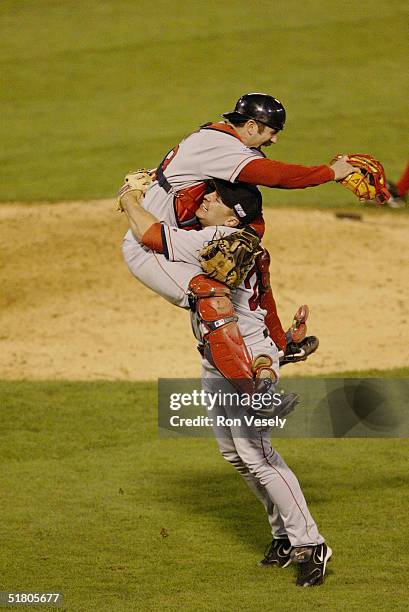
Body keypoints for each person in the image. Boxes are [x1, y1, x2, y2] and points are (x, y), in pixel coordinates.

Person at [119, 180, 332, 587]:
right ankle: (284, 536)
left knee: (257, 453)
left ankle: (311, 543)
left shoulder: (219, 239)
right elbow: (264, 298)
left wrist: (129, 196)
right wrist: (282, 341)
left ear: (232, 217)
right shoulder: (240, 240)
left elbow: (147, 237)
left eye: (218, 198)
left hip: (245, 359)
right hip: (220, 356)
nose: (209, 198)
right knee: (235, 454)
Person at [121, 92, 354, 362]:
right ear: (252, 127)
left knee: (253, 262)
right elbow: (274, 176)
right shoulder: (219, 146)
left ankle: (278, 347)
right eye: (272, 131)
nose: (275, 139)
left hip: (178, 237)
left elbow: (251, 208)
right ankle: (235, 369)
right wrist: (330, 172)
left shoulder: (223, 141)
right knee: (211, 296)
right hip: (152, 246)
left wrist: (254, 235)